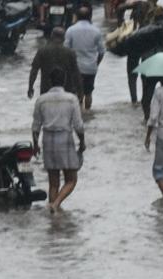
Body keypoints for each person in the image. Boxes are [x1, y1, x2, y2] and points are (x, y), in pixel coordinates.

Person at [32, 68, 86, 213]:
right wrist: (82, 142)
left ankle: (54, 218)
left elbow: (36, 126)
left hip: (47, 139)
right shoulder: (71, 99)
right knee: (71, 179)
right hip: (65, 139)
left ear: (50, 81)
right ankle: (56, 205)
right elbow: (78, 126)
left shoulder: (41, 100)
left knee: (53, 183)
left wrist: (35, 144)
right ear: (64, 81)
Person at [139, 7, 163, 121]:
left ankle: (147, 119)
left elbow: (143, 51)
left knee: (147, 97)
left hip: (150, 67)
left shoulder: (146, 31)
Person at [116, 0, 158, 103]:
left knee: (132, 73)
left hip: (135, 40)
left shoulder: (139, 4)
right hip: (148, 43)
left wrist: (120, 24)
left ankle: (134, 100)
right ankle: (145, 99)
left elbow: (120, 8)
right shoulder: (157, 10)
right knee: (145, 73)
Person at [64, 5, 105, 110]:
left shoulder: (71, 30)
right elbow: (101, 51)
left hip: (75, 68)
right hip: (91, 68)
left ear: (77, 17)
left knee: (75, 92)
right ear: (90, 17)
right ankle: (87, 113)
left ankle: (78, 113)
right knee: (88, 93)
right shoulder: (96, 31)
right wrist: (96, 63)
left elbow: (66, 50)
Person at [28, 27, 81, 98]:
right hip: (66, 91)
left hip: (46, 90)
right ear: (64, 38)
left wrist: (30, 87)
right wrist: (80, 90)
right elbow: (76, 73)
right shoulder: (70, 53)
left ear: (51, 36)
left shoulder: (42, 51)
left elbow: (34, 70)